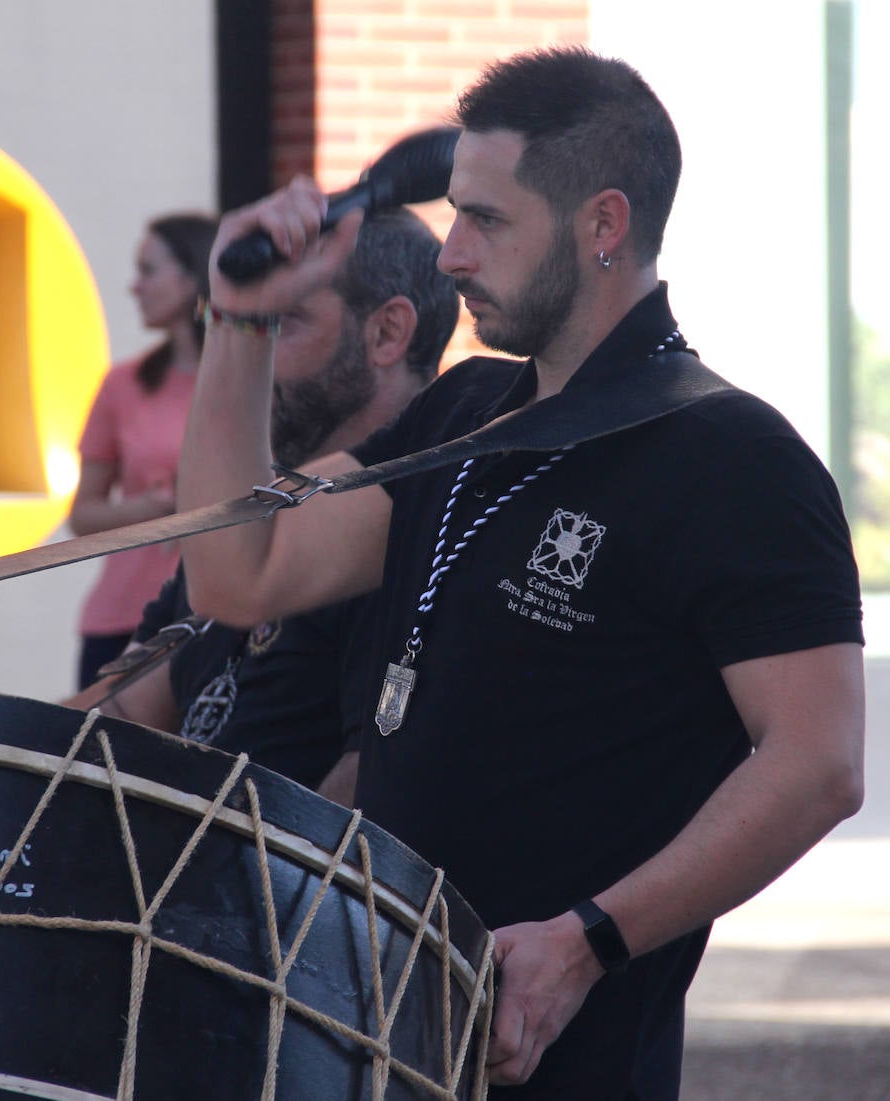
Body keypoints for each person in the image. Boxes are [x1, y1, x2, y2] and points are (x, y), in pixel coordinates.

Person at [176, 47, 865, 1099]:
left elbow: (819, 763)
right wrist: (240, 321)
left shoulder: (734, 458)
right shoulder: (459, 416)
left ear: (603, 225)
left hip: (562, 1060)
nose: (450, 256)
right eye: (454, 214)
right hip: (375, 1040)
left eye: (486, 221)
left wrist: (586, 943)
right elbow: (238, 573)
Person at [65, 207, 458, 794]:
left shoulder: (417, 539)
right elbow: (117, 717)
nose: (247, 356)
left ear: (386, 333)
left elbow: (356, 812)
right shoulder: (252, 520)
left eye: (280, 321)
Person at [68, 213, 218, 688]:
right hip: (119, 617)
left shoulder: (244, 382)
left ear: (194, 275)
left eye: (148, 270)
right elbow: (83, 515)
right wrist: (154, 509)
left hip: (211, 613)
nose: (135, 286)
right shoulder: (123, 385)